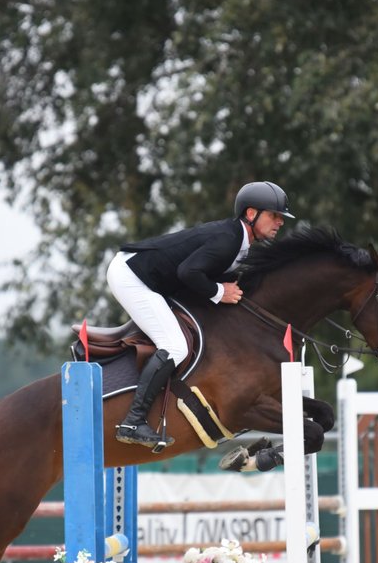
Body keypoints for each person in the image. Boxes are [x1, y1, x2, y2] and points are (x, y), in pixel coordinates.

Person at [105, 180, 294, 449]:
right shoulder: (229, 240)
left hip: (154, 280)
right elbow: (188, 273)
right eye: (275, 215)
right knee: (175, 346)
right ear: (251, 214)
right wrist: (219, 292)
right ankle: (133, 421)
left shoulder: (241, 243)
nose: (280, 222)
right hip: (132, 277)